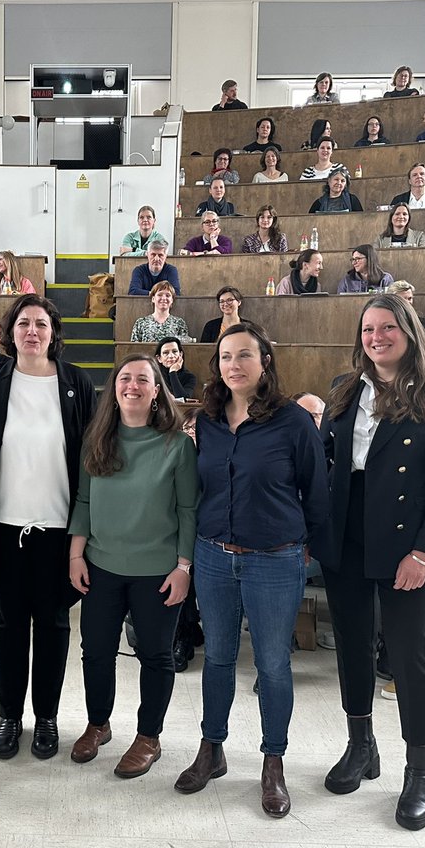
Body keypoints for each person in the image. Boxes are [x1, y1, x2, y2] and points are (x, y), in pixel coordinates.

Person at [316, 294, 425, 832]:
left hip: (408, 544)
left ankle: (418, 772)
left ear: (409, 332)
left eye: (387, 328)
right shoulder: (343, 388)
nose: (376, 338)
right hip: (347, 535)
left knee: (409, 656)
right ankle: (362, 747)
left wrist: (423, 552)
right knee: (353, 648)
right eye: (368, 330)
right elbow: (326, 458)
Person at [175, 323, 328, 816]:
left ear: (265, 361)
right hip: (214, 556)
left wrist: (307, 545)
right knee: (217, 657)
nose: (233, 365)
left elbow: (316, 491)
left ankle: (273, 761)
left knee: (272, 665)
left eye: (244, 355)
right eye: (225, 357)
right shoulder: (210, 420)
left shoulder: (292, 421)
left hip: (275, 559)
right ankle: (211, 748)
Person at [0, 292, 96, 761]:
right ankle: (9, 716)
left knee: (55, 626)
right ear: (10, 331)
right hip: (4, 529)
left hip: (59, 533)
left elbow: (94, 461)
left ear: (53, 332)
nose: (32, 332)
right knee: (8, 627)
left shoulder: (76, 382)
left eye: (41, 324)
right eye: (23, 324)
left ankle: (47, 717)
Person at [68, 355, 197, 779]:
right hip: (102, 563)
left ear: (157, 389)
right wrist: (75, 555)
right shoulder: (97, 438)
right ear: (114, 387)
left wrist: (184, 568)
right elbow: (84, 501)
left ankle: (148, 737)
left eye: (144, 379)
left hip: (158, 570)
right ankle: (98, 723)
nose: (133, 386)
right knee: (96, 652)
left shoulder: (176, 444)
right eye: (125, 378)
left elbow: (187, 509)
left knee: (156, 655)